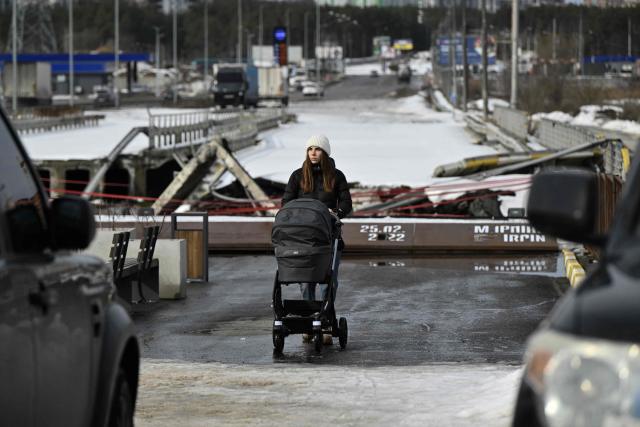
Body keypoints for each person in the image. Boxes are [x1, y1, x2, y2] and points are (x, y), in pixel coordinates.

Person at [281, 135, 352, 345]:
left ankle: (327, 322)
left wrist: (336, 212)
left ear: (325, 152)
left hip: (329, 237)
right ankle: (308, 322)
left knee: (328, 282)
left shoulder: (337, 176)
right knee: (306, 281)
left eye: (318, 149)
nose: (313, 152)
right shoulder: (297, 176)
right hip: (303, 239)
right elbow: (286, 203)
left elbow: (347, 203)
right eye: (310, 149)